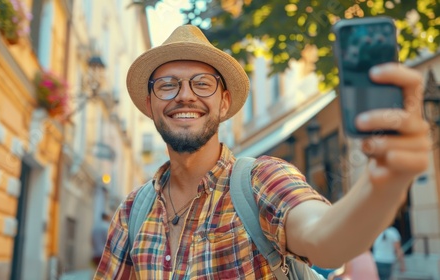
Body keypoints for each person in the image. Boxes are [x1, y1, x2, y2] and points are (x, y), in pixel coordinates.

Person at [94, 25, 431, 279]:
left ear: (224, 103)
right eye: (168, 85)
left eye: (202, 83)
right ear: (151, 104)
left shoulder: (260, 181)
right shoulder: (132, 212)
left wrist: (382, 185)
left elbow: (324, 238)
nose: (185, 96)